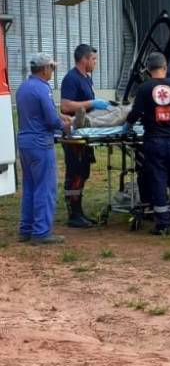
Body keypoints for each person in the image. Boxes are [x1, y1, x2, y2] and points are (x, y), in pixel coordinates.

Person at [126, 52, 170, 234]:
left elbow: (134, 114)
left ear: (148, 70)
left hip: (154, 141)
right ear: (165, 68)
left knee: (157, 179)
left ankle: (163, 223)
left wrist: (127, 124)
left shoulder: (143, 88)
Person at [16, 53, 71, 244]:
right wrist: (65, 125)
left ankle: (26, 229)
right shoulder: (42, 88)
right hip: (41, 143)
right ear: (44, 69)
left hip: (25, 142)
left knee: (30, 186)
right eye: (52, 68)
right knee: (45, 187)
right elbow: (50, 119)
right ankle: (41, 232)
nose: (53, 71)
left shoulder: (23, 87)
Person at [60, 43, 109, 228]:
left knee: (83, 171)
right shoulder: (71, 79)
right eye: (93, 59)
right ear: (84, 60)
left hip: (85, 133)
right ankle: (74, 214)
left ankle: (78, 211)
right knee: (75, 171)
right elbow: (65, 106)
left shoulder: (86, 78)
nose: (95, 63)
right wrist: (91, 102)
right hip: (74, 135)